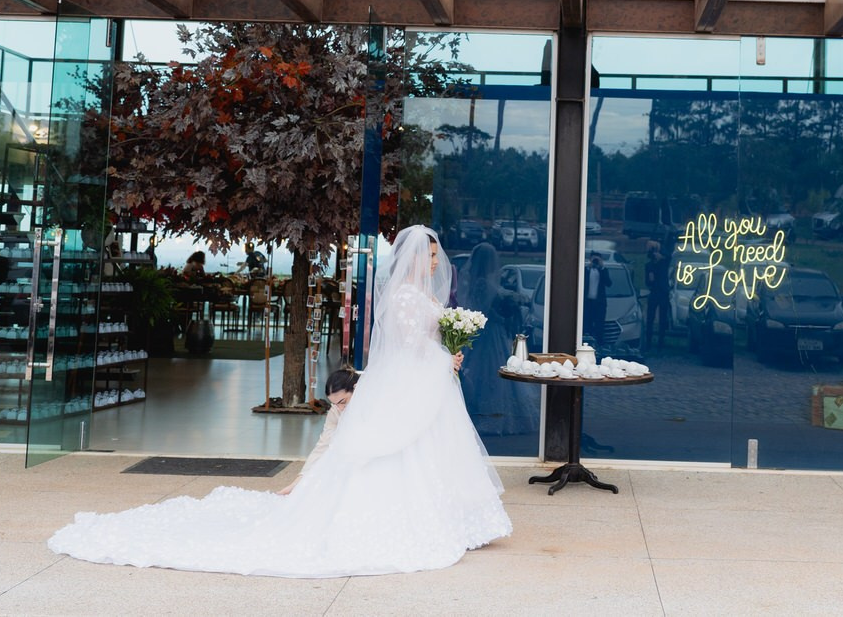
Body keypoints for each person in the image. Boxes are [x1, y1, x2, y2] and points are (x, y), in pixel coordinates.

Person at [48, 226, 511, 576]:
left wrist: (446, 354)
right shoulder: (408, 298)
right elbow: (411, 349)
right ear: (413, 258)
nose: (435, 263)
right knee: (406, 451)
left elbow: (421, 347)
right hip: (415, 383)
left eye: (435, 256)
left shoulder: (416, 295)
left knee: (428, 448)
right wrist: (443, 358)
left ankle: (451, 516)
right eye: (430, 256)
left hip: (424, 385)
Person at [456, 242, 536, 436]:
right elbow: (484, 310)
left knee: (490, 372)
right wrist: (502, 317)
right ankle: (490, 417)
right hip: (489, 334)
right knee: (491, 373)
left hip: (492, 333)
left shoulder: (478, 281)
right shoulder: (482, 283)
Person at [276, 368, 358, 496]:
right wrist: (299, 481)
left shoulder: (377, 403)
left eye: (343, 402)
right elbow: (323, 446)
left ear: (356, 388)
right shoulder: (335, 411)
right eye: (335, 404)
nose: (340, 408)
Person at [642, 241, 670, 353]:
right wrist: (650, 280)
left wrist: (659, 247)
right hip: (654, 292)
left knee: (663, 319)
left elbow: (669, 255)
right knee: (650, 318)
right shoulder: (649, 266)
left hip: (663, 293)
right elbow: (647, 282)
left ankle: (660, 343)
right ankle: (649, 342)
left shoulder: (664, 263)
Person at [583, 252, 608, 353]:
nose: (595, 261)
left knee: (599, 325)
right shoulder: (585, 270)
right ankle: (587, 346)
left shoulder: (603, 270)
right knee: (587, 324)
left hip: (599, 303)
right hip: (587, 303)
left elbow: (608, 283)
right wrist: (589, 267)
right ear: (590, 259)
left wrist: (601, 268)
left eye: (597, 259)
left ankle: (600, 345)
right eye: (594, 259)